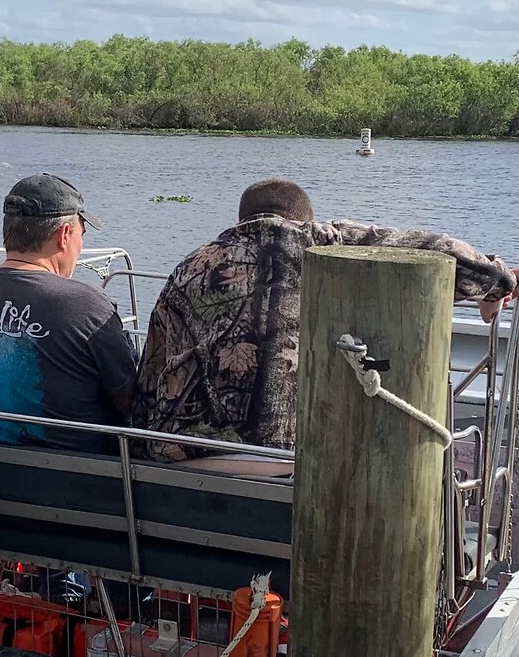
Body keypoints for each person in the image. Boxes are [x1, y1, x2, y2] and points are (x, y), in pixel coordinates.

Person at [133, 178, 519, 464]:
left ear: (239, 221)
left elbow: (149, 379)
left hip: (184, 464)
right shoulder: (325, 242)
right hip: (290, 463)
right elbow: (444, 253)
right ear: (305, 220)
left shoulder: (188, 267)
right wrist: (499, 284)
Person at [0, 173, 138, 456]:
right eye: (81, 235)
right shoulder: (83, 302)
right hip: (76, 476)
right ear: (64, 235)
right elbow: (132, 397)